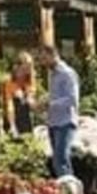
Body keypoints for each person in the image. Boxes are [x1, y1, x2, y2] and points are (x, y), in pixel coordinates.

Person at [34, 44, 80, 178]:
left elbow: (73, 99)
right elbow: (56, 95)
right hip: (54, 122)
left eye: (44, 58)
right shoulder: (52, 74)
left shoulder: (67, 73)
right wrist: (44, 100)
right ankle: (66, 192)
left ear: (53, 55)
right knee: (57, 161)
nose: (42, 62)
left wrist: (50, 104)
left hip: (65, 122)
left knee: (61, 160)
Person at [1, 51, 37, 137]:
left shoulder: (30, 81)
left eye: (30, 65)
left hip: (26, 119)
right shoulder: (9, 83)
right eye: (27, 65)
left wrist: (34, 102)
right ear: (17, 67)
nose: (29, 68)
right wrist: (12, 126)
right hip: (12, 118)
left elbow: (31, 100)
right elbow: (9, 106)